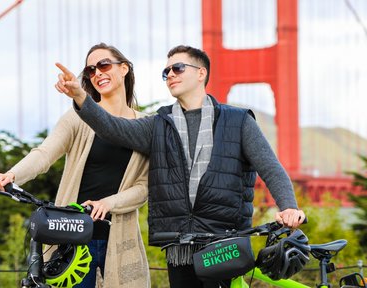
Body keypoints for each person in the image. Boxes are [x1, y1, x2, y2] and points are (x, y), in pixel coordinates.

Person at [55, 45, 306, 288]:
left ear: (201, 73)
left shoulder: (239, 121)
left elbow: (270, 167)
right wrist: (80, 96)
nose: (170, 75)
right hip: (178, 245)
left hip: (224, 244)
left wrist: (289, 207)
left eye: (177, 68)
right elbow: (113, 128)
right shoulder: (158, 125)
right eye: (166, 72)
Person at [0, 43, 150, 288]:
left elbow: (144, 187)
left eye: (104, 65)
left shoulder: (147, 124)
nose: (98, 73)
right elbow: (44, 154)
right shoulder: (78, 116)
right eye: (91, 70)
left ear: (124, 68)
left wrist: (108, 203)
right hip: (73, 238)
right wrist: (11, 175)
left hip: (121, 239)